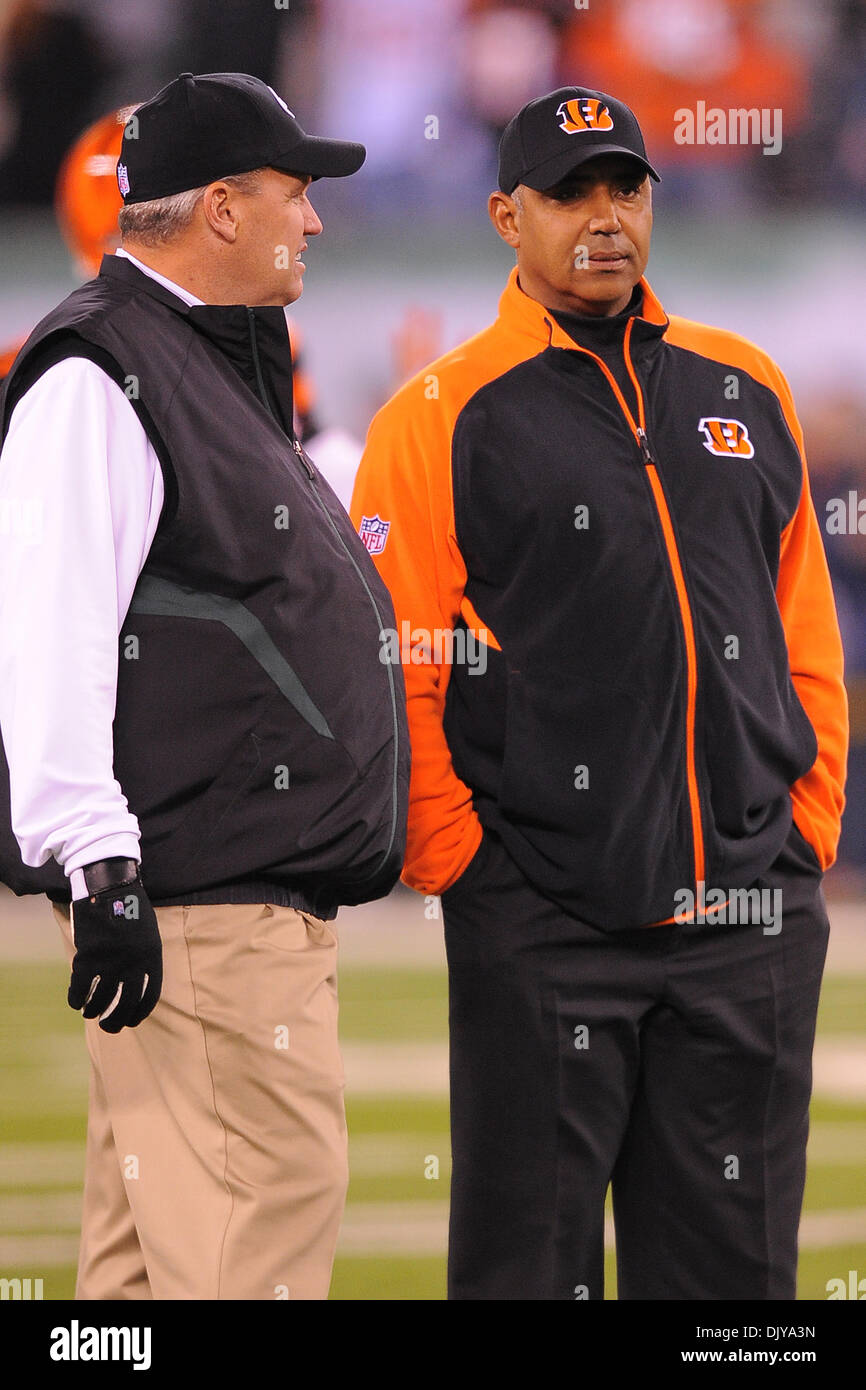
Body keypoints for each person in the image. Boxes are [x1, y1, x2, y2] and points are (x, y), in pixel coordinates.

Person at [350, 86, 848, 1300]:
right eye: (568, 192)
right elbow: (400, 656)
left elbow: (803, 633)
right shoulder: (436, 416)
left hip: (743, 918)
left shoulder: (742, 386)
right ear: (503, 215)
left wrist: (802, 830)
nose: (602, 215)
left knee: (733, 1297)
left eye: (623, 186)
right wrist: (461, 861)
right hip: (542, 921)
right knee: (527, 1274)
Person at [0, 71, 409, 1301]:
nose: (316, 220)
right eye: (296, 192)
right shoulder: (101, 370)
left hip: (209, 895)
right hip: (198, 903)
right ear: (222, 209)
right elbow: (48, 625)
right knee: (252, 1241)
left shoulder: (198, 361)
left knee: (135, 1283)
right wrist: (98, 858)